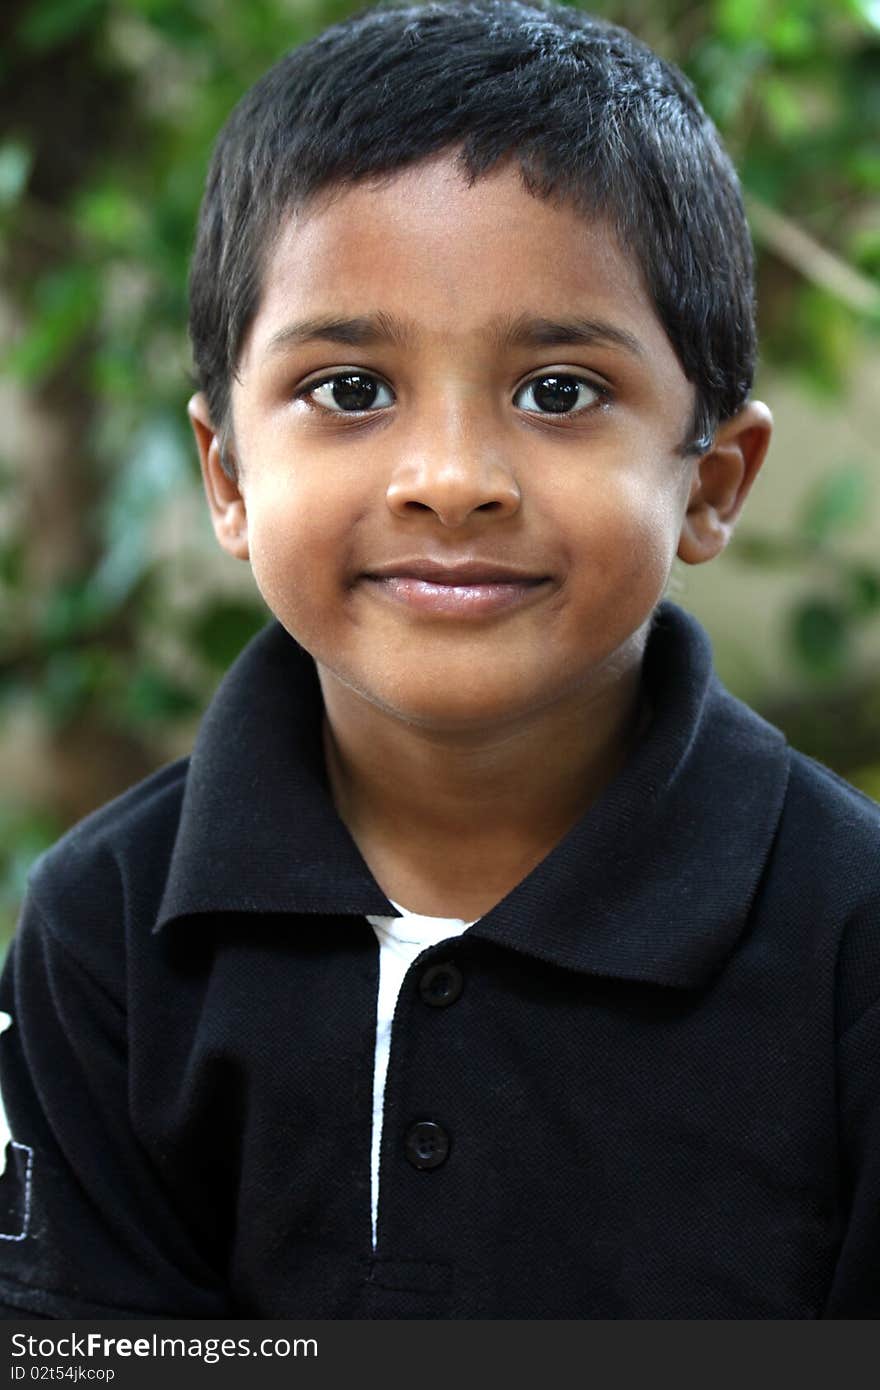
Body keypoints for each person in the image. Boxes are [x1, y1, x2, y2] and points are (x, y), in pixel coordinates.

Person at [0, 0, 877, 1321]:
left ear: (713, 481)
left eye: (560, 391)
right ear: (225, 475)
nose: (452, 481)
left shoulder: (852, 935)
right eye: (350, 389)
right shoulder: (104, 934)